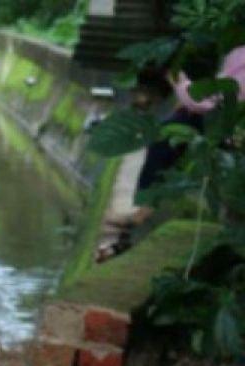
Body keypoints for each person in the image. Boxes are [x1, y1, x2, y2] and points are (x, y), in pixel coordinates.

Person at [97, 45, 245, 261]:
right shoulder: (238, 53)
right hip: (212, 112)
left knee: (167, 139)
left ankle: (144, 210)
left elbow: (220, 98)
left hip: (226, 121)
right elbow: (217, 87)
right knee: (164, 137)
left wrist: (181, 85)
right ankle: (143, 206)